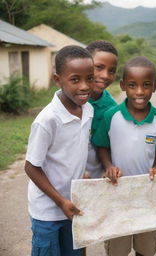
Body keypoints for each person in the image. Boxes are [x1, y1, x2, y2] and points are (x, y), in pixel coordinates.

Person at [92, 56, 156, 256]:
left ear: (155, 86)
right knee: (117, 248)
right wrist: (108, 165)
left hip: (146, 194)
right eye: (132, 85)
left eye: (146, 85)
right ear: (123, 86)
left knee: (146, 247)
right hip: (117, 193)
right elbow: (101, 145)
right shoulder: (112, 116)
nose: (139, 91)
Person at [24, 45, 94, 256]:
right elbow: (31, 167)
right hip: (47, 211)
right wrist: (60, 200)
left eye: (89, 78)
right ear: (58, 79)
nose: (84, 86)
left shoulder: (88, 109)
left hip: (72, 205)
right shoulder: (48, 120)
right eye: (75, 79)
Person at [85, 40, 118, 179]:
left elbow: (105, 147)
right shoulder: (68, 100)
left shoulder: (111, 109)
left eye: (111, 71)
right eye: (99, 67)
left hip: (94, 178)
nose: (105, 75)